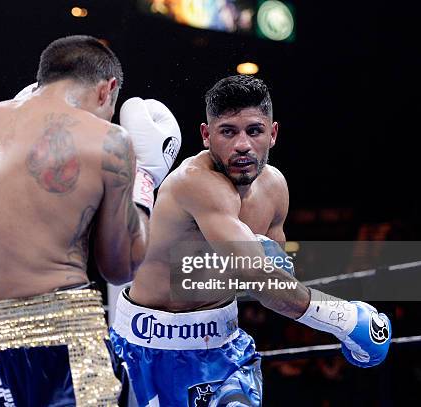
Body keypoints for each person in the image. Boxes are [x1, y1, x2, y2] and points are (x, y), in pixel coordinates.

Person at [109, 75, 391, 406]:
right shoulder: (194, 183)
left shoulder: (275, 189)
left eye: (254, 131)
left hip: (222, 349)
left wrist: (269, 268)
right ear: (206, 136)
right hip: (148, 351)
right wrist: (344, 317)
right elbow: (257, 277)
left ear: (272, 134)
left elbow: (276, 281)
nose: (242, 144)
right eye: (228, 131)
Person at [0, 35, 181, 406]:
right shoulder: (109, 139)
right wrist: (144, 180)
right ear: (107, 90)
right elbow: (121, 266)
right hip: (66, 340)